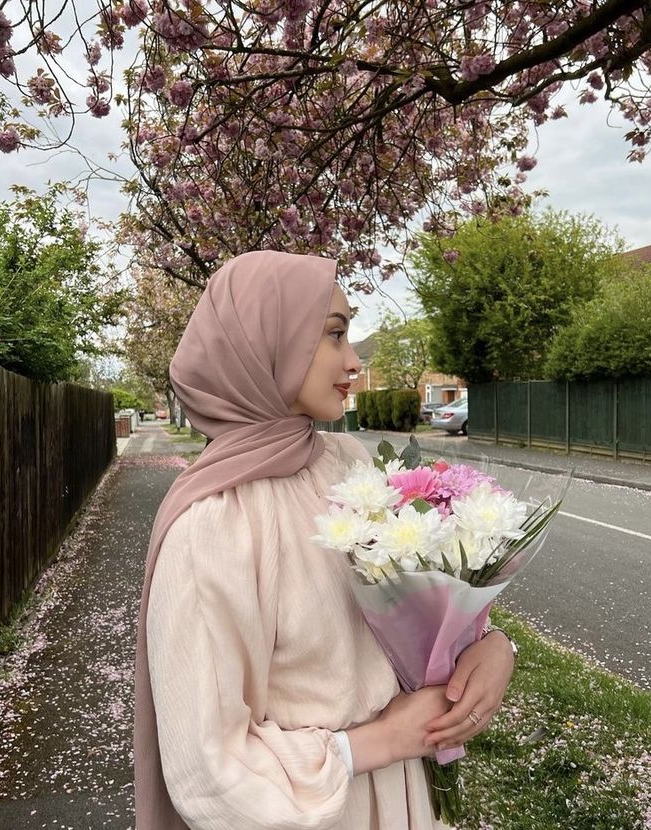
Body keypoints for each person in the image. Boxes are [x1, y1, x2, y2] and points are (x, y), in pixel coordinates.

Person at [134, 250, 515, 830]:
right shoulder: (215, 523)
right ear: (265, 344)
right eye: (334, 334)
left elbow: (410, 620)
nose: (355, 361)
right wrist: (380, 741)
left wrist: (489, 649)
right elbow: (209, 772)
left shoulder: (346, 461)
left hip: (406, 795)